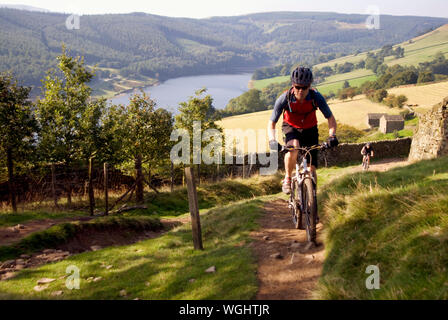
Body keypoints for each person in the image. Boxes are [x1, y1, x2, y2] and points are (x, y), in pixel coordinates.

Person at [268, 66, 338, 194]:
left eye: (304, 87)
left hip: (310, 128)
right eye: (297, 87)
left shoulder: (316, 97)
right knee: (293, 147)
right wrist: (272, 140)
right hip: (291, 127)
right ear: (293, 85)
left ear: (309, 86)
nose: (300, 90)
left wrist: (332, 136)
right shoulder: (285, 98)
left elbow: (331, 119)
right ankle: (288, 178)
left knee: (311, 168)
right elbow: (272, 122)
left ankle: (312, 199)